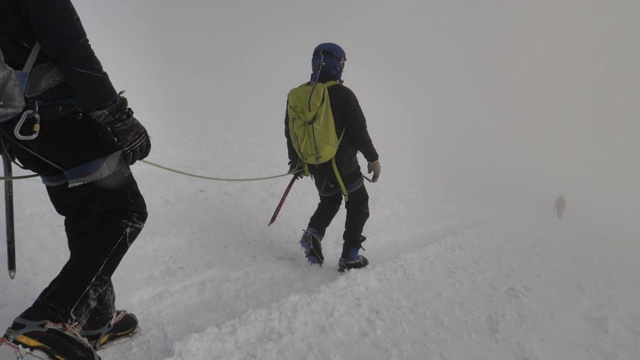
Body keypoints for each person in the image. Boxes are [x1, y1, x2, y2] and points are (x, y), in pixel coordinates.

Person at [0, 1, 150, 359]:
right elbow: (71, 48)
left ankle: (97, 319)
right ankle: (48, 317)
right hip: (56, 118)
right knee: (124, 211)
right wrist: (117, 117)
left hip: (21, 133)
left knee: (84, 212)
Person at [285, 43, 381, 272]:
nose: (343, 67)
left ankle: (313, 234)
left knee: (330, 200)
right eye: (342, 63)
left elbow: (290, 131)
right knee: (358, 203)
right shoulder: (342, 94)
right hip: (342, 163)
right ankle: (350, 256)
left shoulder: (300, 96)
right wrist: (373, 159)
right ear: (335, 63)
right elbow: (359, 130)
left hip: (315, 163)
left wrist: (297, 163)